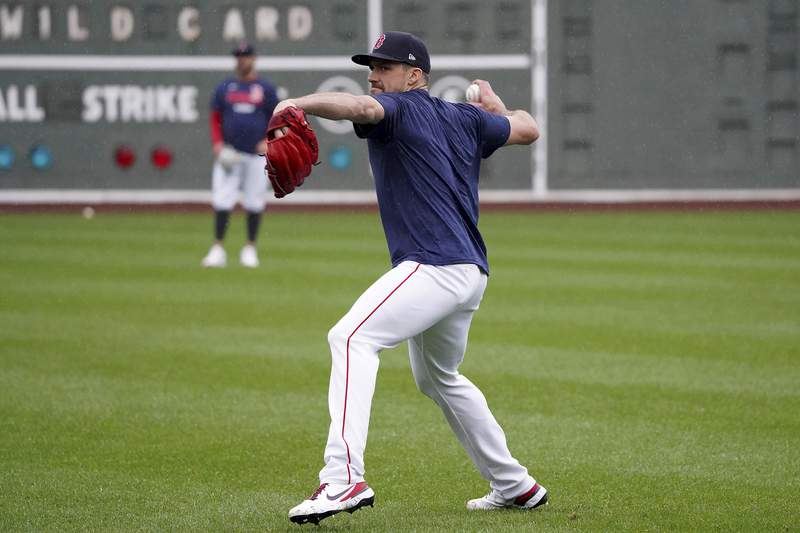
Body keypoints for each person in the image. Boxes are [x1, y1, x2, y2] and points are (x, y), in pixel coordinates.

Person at [280, 32, 547, 525]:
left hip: (435, 265)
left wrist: (295, 102)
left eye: (385, 67)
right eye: (371, 68)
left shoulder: (399, 110)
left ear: (415, 76)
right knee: (439, 377)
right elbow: (528, 128)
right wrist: (496, 106)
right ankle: (515, 485)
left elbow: (358, 109)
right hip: (469, 271)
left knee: (350, 338)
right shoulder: (466, 118)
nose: (374, 77)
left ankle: (342, 480)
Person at [201, 42, 279, 268]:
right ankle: (217, 248)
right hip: (230, 153)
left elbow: (277, 117)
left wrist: (268, 140)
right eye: (238, 56)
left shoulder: (265, 88)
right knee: (223, 201)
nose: (241, 60)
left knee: (254, 202)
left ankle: (250, 248)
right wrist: (217, 143)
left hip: (256, 155)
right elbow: (215, 117)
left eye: (245, 56)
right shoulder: (225, 87)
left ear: (254, 58)